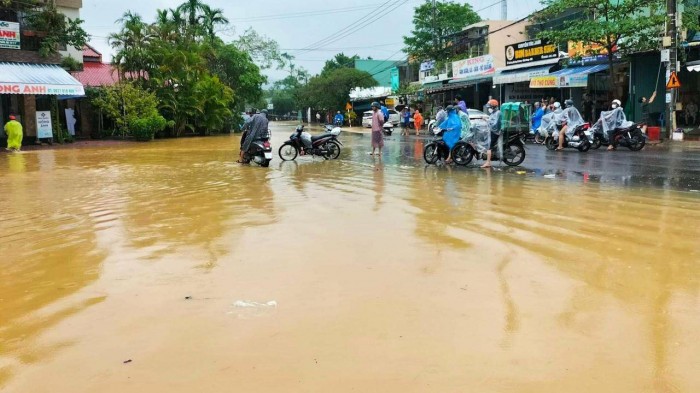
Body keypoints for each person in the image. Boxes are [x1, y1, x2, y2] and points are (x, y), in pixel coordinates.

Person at [483, 99, 501, 168]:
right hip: (492, 131)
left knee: (489, 147)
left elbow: (494, 124)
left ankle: (488, 162)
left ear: (493, 107)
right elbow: (491, 120)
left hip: (495, 132)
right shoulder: (493, 113)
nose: (489, 109)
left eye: (490, 107)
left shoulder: (497, 113)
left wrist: (487, 120)